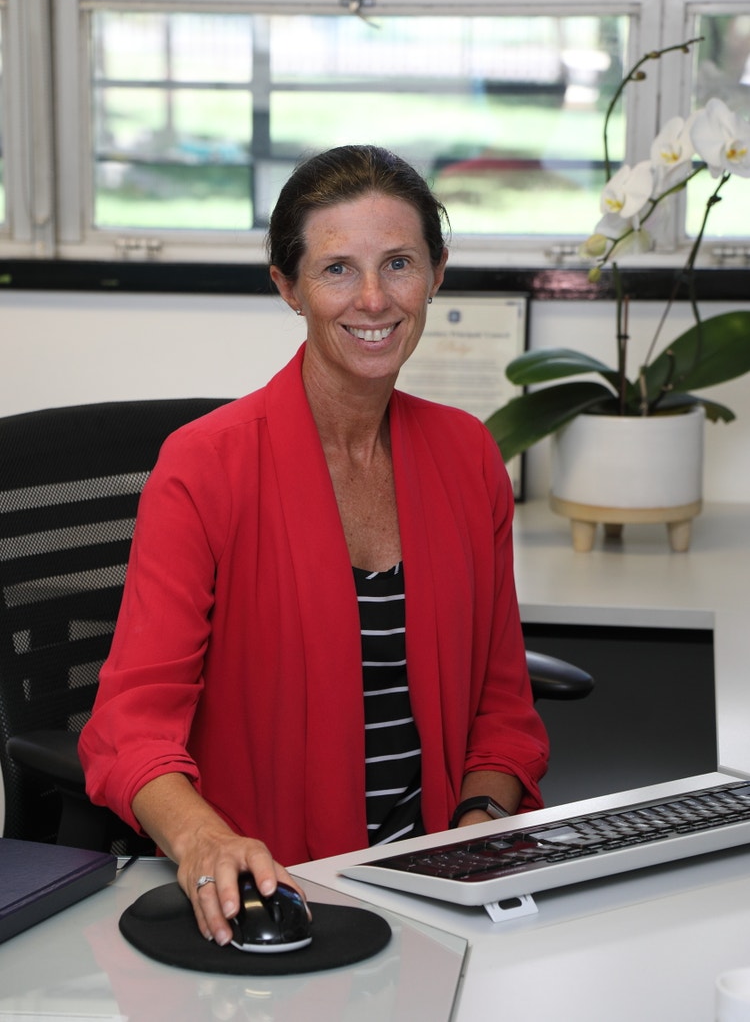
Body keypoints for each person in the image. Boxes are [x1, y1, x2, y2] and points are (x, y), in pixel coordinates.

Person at [79, 144, 549, 948]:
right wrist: (203, 840)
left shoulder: (469, 455)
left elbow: (501, 709)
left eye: (398, 263)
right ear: (287, 286)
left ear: (436, 273)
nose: (373, 298)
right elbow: (130, 726)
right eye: (337, 269)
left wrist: (479, 824)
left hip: (437, 891)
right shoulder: (205, 467)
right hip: (276, 892)